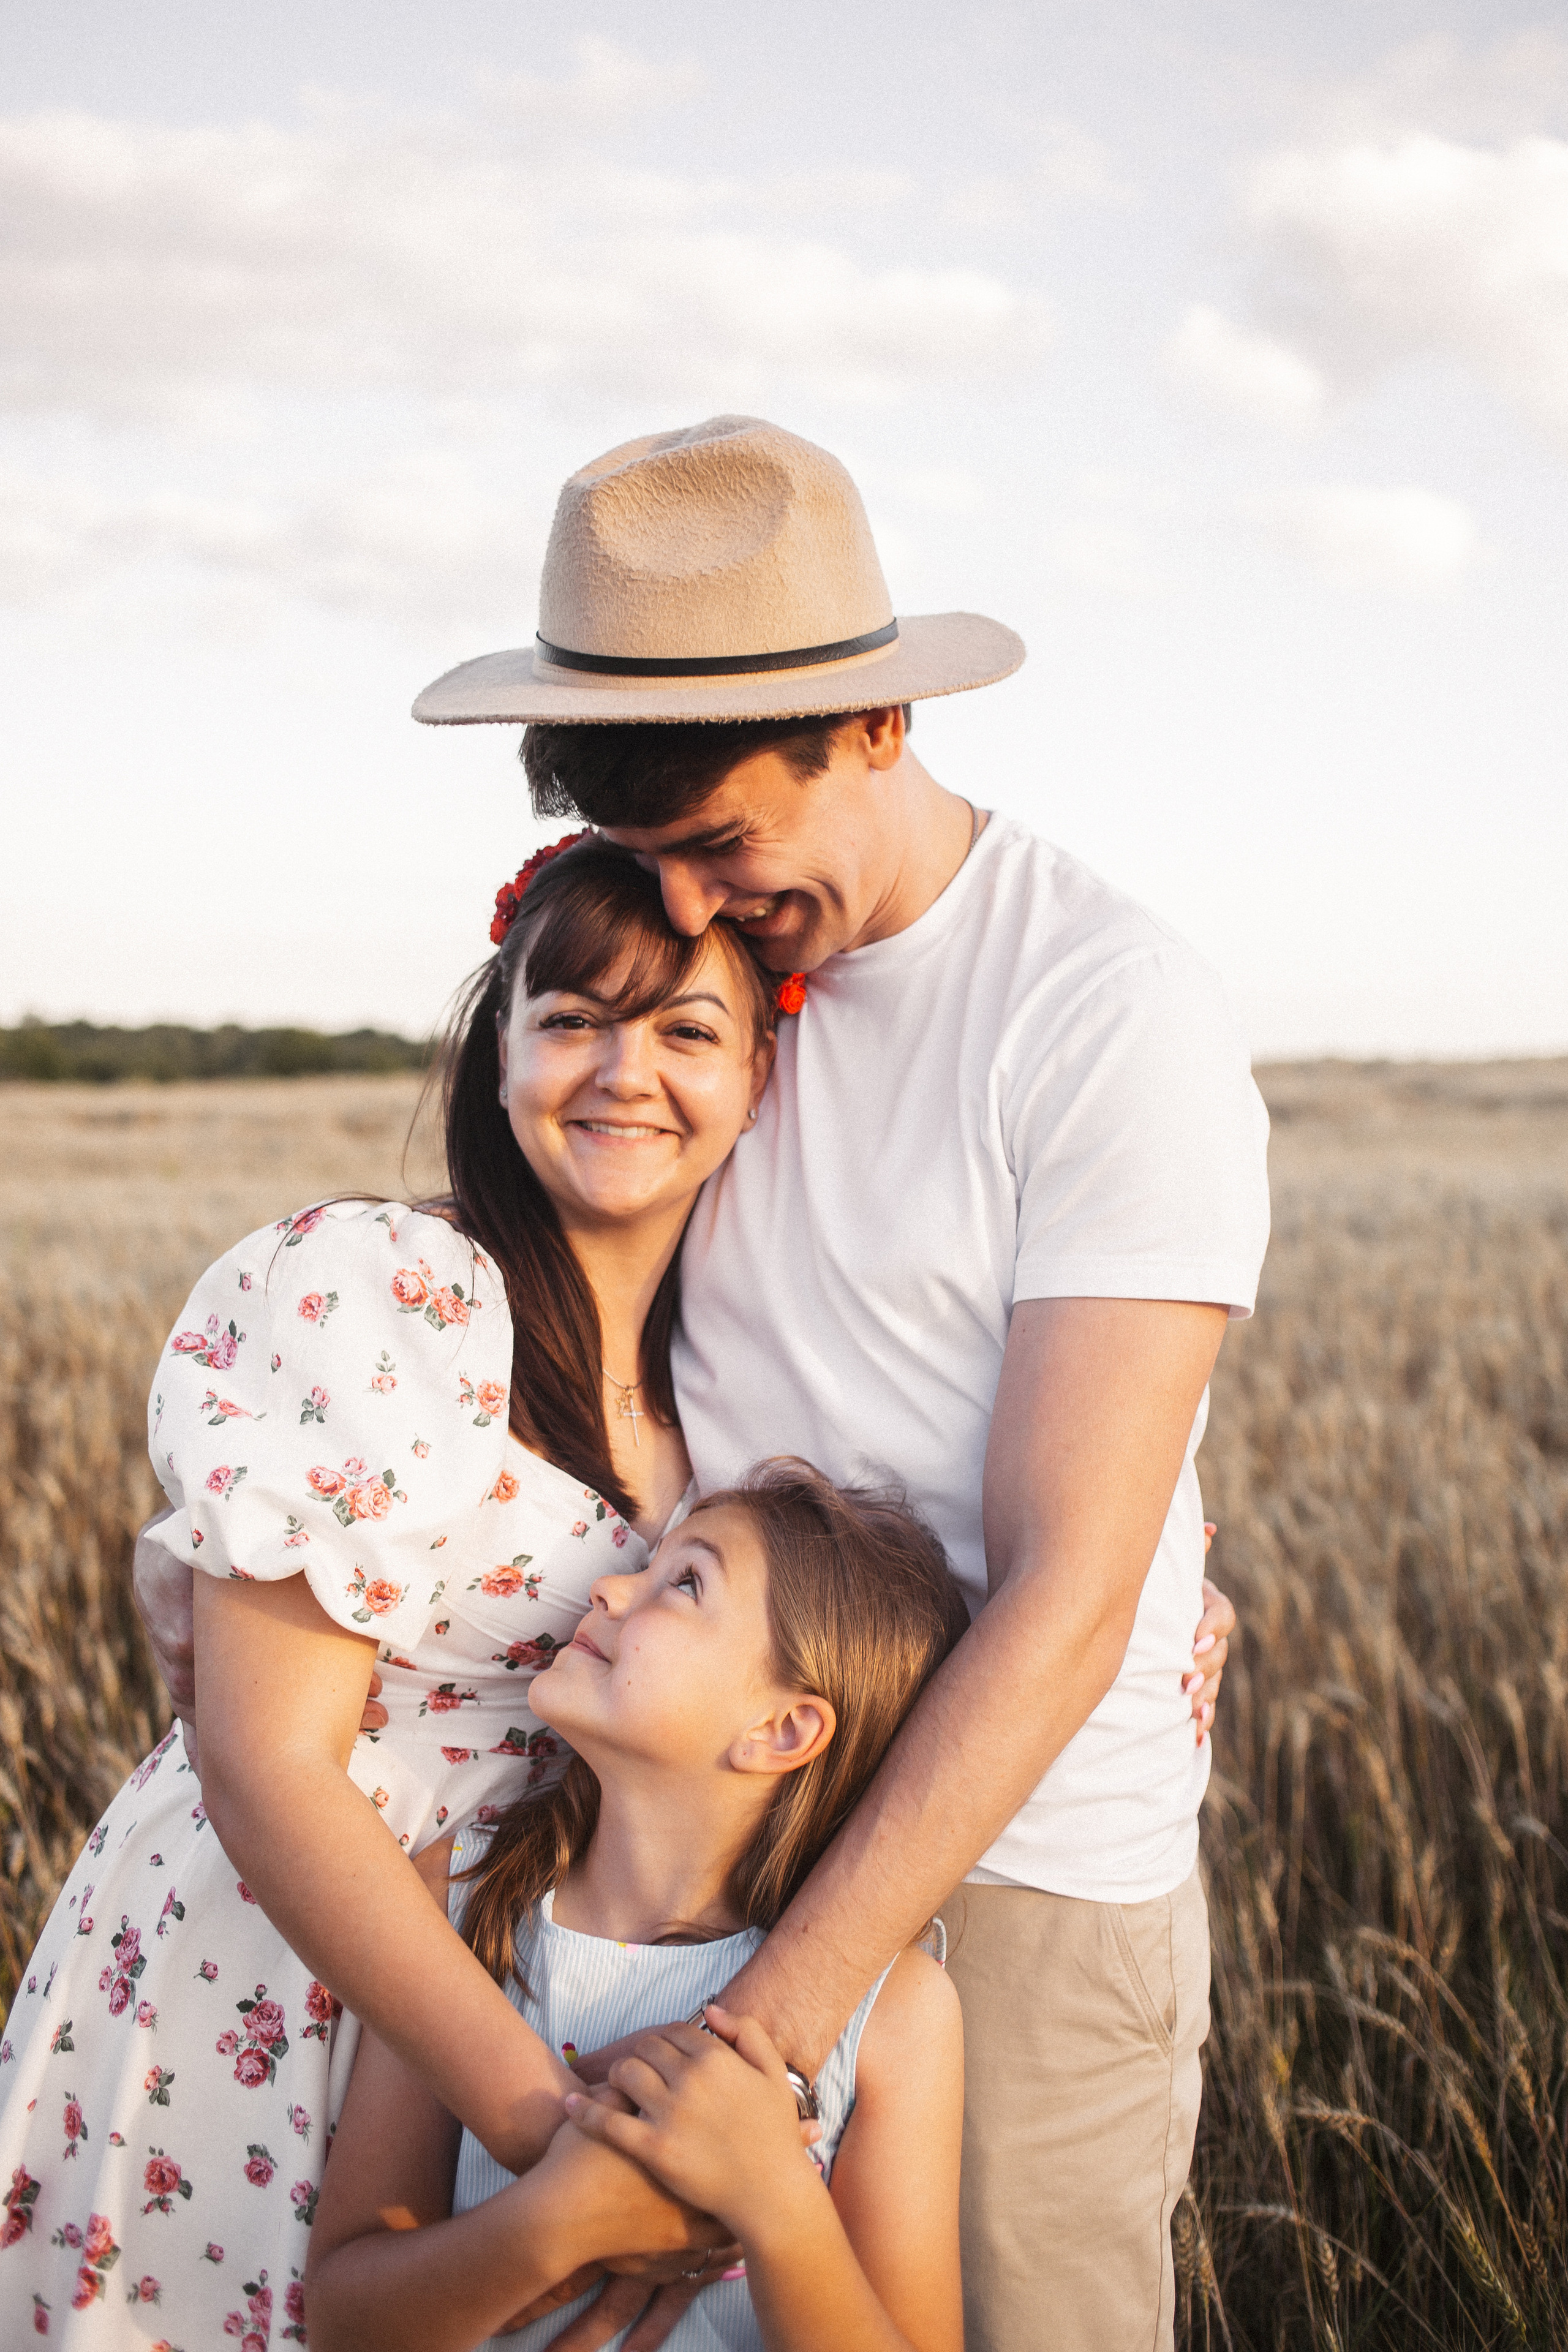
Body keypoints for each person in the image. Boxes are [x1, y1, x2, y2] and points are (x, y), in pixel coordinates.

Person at [130, 414, 1260, 2350]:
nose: (699, 908)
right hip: (666, 1863)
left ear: (881, 728)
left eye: (726, 841)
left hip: (1008, 1869)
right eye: (647, 859)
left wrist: (761, 2041)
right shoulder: (730, 990)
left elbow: (1068, 1586)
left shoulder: (1099, 1012)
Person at [0, 842, 783, 2343]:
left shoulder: (735, 1360)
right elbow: (268, 1762)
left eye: (685, 1029)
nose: (623, 1071)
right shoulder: (388, 1287)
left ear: (757, 1077)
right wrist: (541, 2122)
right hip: (285, 1961)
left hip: (526, 1967)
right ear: (501, 1054)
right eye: (569, 1018)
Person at [304, 1463, 971, 2352]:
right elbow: (346, 2322)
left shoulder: (893, 2015)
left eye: (684, 1583)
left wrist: (775, 2200)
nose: (612, 1589)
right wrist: (560, 2221)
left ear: (782, 1730)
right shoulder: (461, 1900)